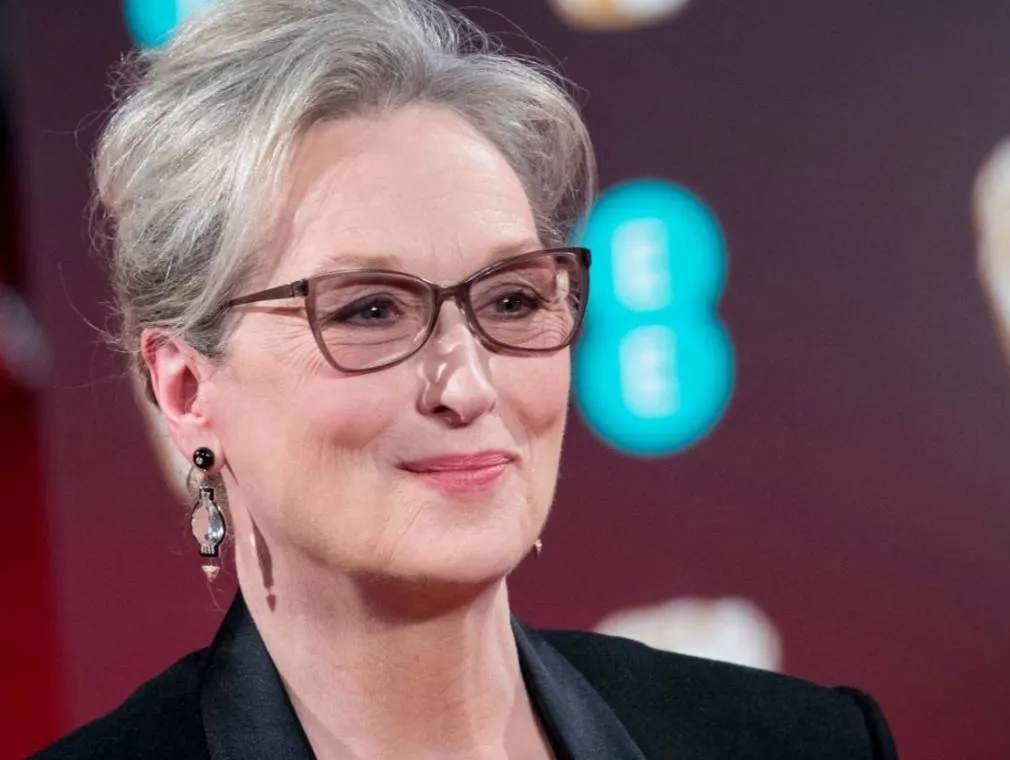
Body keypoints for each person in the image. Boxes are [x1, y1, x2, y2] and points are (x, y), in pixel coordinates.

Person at [36, 0, 897, 757]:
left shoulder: (801, 742)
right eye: (370, 310)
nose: (469, 386)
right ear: (187, 392)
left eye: (512, 300)